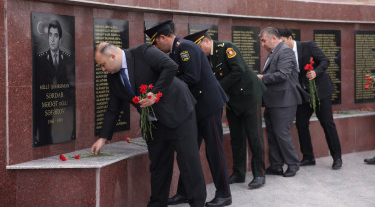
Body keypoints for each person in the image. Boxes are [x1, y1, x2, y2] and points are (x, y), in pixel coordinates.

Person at [91, 42, 206, 207]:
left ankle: (197, 203)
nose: (103, 69)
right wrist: (103, 138)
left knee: (189, 162)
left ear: (113, 56)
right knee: (159, 165)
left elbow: (170, 66)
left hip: (178, 113)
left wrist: (155, 94)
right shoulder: (113, 78)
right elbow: (113, 108)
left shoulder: (143, 52)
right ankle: (157, 203)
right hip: (153, 123)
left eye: (103, 64)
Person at [145, 20, 232, 207]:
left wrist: (163, 87)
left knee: (213, 150)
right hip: (194, 109)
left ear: (162, 38)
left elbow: (191, 77)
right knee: (188, 152)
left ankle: (224, 193)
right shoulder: (177, 50)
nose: (157, 48)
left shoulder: (185, 48)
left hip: (208, 106)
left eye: (156, 43)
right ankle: (184, 193)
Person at [184, 29, 267, 189]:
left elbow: (238, 71)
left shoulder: (227, 48)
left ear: (206, 41)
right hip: (231, 100)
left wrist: (216, 89)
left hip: (249, 96)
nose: (199, 53)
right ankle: (239, 172)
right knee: (236, 137)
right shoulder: (207, 58)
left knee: (254, 136)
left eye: (199, 48)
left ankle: (259, 174)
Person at [278, 28, 343, 169]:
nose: (281, 45)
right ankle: (308, 157)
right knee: (301, 123)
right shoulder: (283, 53)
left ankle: (337, 157)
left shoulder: (308, 46)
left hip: (320, 90)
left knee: (327, 123)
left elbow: (325, 61)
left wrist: (315, 72)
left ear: (290, 38)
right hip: (304, 93)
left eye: (282, 41)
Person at [257, 27, 309, 177]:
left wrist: (262, 78)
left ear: (274, 38)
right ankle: (276, 165)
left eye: (264, 41)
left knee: (281, 133)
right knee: (273, 134)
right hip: (273, 101)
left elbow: (283, 74)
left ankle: (293, 164)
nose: (262, 45)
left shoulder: (285, 51)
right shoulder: (273, 52)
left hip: (284, 101)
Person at [37, 20, 73, 85]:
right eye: (50, 35)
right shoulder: (41, 59)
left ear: (60, 39)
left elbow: (70, 78)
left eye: (56, 35)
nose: (52, 40)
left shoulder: (67, 57)